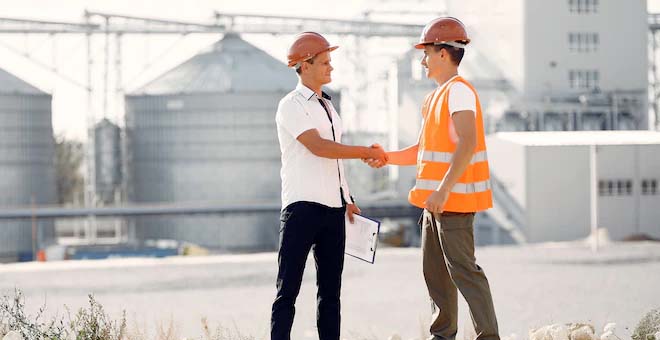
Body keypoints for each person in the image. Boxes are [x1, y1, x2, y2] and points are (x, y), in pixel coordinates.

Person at [365, 17, 500, 340]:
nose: (422, 61)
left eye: (425, 53)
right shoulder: (435, 97)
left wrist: (442, 190)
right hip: (434, 203)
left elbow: (467, 143)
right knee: (436, 275)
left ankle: (488, 337)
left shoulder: (459, 93)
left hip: (452, 201)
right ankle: (441, 336)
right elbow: (423, 150)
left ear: (443, 53)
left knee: (464, 271)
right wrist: (387, 157)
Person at [271, 31, 387, 340]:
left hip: (334, 210)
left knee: (331, 295)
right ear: (305, 65)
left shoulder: (328, 107)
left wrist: (347, 196)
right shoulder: (291, 105)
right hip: (301, 208)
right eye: (324, 62)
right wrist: (365, 152)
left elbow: (334, 158)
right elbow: (319, 147)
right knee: (288, 291)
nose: (331, 68)